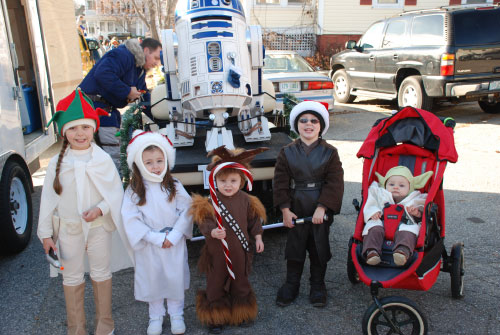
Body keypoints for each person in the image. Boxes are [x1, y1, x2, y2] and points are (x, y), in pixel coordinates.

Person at [37, 89, 134, 335]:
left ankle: (105, 325)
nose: (79, 133)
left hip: (98, 228)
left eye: (85, 127)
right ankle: (76, 329)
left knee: (101, 273)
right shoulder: (57, 165)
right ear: (63, 132)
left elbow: (114, 194)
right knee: (71, 278)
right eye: (73, 128)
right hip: (69, 230)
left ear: (94, 129)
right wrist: (46, 234)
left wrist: (100, 209)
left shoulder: (102, 159)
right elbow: (48, 200)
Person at [121, 130, 193, 335]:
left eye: (159, 160)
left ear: (167, 160)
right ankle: (156, 316)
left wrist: (175, 235)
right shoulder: (134, 190)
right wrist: (155, 238)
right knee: (153, 281)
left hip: (174, 243)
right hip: (150, 245)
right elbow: (131, 219)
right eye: (149, 162)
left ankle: (177, 314)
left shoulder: (174, 186)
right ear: (138, 163)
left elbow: (187, 210)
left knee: (174, 278)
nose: (155, 167)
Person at [273, 100, 344, 308]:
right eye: (303, 120)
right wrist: (285, 210)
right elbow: (280, 182)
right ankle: (291, 284)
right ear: (297, 125)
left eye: (314, 120)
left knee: (318, 247)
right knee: (295, 247)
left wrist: (323, 207)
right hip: (296, 204)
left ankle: (318, 285)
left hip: (319, 206)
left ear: (321, 125)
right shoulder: (287, 151)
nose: (308, 124)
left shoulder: (330, 152)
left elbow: (335, 182)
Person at [190, 146, 267, 334]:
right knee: (215, 283)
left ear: (241, 180)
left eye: (233, 180)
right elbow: (204, 222)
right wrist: (212, 232)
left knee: (240, 281)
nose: (228, 185)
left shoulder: (247, 201)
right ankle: (216, 316)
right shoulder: (210, 202)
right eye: (222, 180)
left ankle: (241, 313)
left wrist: (258, 237)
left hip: (239, 251)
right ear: (214, 180)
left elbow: (253, 221)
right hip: (216, 253)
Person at [79, 37, 162, 172]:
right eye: (156, 58)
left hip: (107, 112)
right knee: (111, 158)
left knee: (114, 156)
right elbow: (103, 73)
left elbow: (144, 96)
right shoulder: (123, 55)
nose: (157, 63)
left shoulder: (139, 70)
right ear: (146, 51)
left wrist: (161, 118)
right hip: (92, 109)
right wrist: (127, 91)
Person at [362, 166, 433, 266]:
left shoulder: (414, 199)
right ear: (385, 185)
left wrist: (416, 213)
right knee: (373, 230)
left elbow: (423, 213)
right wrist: (373, 212)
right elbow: (371, 203)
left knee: (408, 233)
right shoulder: (380, 194)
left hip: (403, 226)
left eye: (401, 185)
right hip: (381, 224)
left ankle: (402, 252)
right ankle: (372, 252)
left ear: (410, 188)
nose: (396, 187)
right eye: (391, 184)